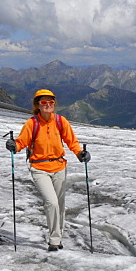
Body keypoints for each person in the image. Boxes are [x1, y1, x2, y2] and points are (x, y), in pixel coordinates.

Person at [6, 89, 90, 251]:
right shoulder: (32, 123)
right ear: (37, 105)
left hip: (59, 166)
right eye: (43, 102)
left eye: (50, 102)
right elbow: (21, 142)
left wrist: (80, 153)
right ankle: (54, 239)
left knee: (59, 203)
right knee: (51, 202)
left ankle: (58, 236)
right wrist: (14, 146)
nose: (47, 105)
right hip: (39, 168)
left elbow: (71, 141)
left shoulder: (60, 121)